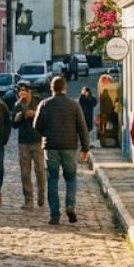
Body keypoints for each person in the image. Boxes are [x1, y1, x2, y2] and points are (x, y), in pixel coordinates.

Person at [34, 76, 90, 226]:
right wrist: (85, 148)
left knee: (52, 179)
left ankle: (54, 215)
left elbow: (36, 125)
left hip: (51, 146)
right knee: (70, 178)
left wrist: (46, 133)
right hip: (69, 146)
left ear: (51, 88)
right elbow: (82, 128)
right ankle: (70, 205)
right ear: (65, 88)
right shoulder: (74, 105)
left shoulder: (45, 104)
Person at [11, 82, 46, 211]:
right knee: (25, 173)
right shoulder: (17, 105)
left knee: (40, 170)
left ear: (29, 92)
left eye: (24, 92)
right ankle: (28, 200)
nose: (22, 95)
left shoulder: (39, 101)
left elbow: (46, 117)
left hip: (37, 140)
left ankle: (41, 193)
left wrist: (35, 113)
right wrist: (18, 118)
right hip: (23, 142)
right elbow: (13, 125)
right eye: (20, 93)